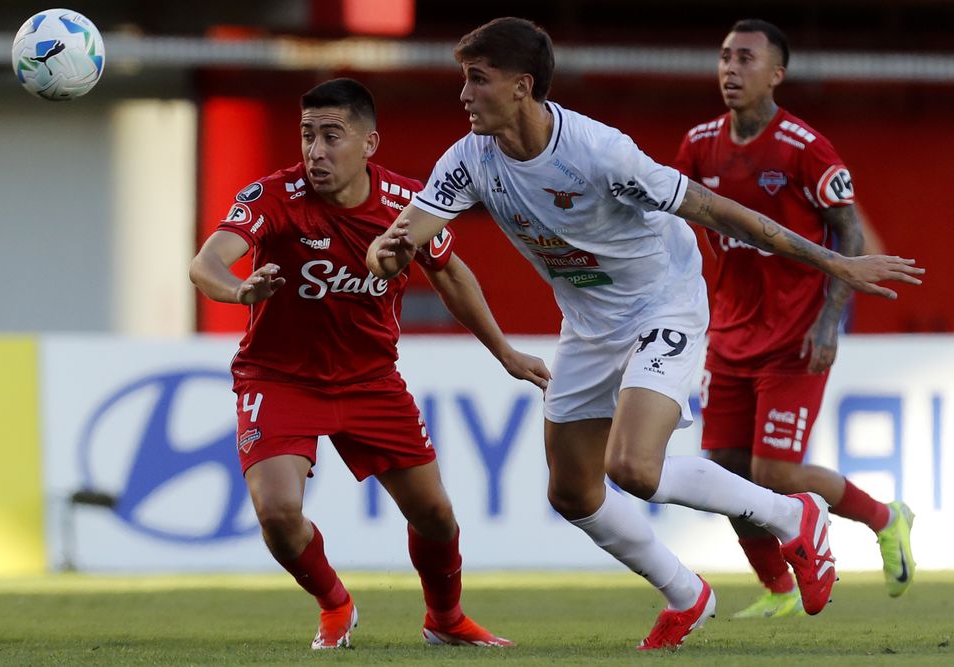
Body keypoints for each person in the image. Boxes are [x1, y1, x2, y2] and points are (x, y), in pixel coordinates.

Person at [365, 17, 923, 651]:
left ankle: (793, 516)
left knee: (632, 466)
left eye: (477, 79)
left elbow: (717, 211)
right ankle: (686, 593)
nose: (463, 94)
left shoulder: (599, 153)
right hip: (588, 321)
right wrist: (386, 250)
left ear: (521, 87)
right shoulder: (468, 159)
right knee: (572, 492)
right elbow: (409, 229)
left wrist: (833, 263)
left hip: (665, 302)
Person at [189, 78, 550, 650]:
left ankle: (446, 619)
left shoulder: (406, 207)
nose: (315, 151)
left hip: (370, 383)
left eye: (332, 136)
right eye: (307, 136)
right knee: (279, 513)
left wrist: (504, 351)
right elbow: (207, 261)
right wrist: (238, 292)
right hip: (279, 379)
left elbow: (451, 274)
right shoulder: (273, 197)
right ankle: (335, 605)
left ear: (370, 143)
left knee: (435, 515)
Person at [672, 19, 915, 619]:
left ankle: (886, 519)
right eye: (725, 57)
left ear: (776, 74)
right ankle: (777, 587)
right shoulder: (699, 144)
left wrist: (831, 321)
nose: (731, 68)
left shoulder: (806, 148)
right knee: (724, 473)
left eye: (746, 59)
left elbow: (850, 232)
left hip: (795, 333)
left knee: (772, 470)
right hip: (728, 335)